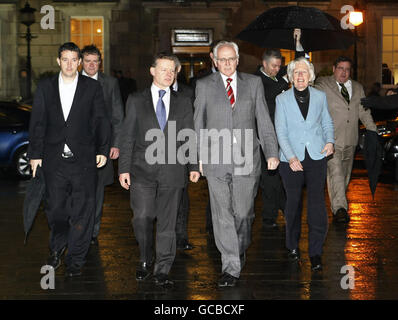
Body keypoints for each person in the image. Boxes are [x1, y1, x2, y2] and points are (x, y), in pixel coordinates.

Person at [194, 41, 279, 287]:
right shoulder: (204, 86)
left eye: (231, 59)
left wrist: (271, 151)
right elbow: (198, 124)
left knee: (243, 213)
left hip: (247, 159)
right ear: (214, 60)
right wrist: (196, 159)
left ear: (238, 59)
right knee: (222, 215)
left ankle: (238, 247)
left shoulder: (253, 84)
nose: (227, 64)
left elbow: (263, 119)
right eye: (222, 60)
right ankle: (230, 266)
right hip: (215, 160)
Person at [28, 42, 110, 277]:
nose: (70, 64)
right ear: (58, 61)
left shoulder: (91, 88)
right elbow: (38, 121)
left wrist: (103, 149)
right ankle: (57, 247)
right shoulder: (45, 86)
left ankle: (75, 258)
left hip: (83, 159)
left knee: (83, 211)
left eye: (75, 60)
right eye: (66, 59)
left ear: (80, 62)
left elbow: (101, 119)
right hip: (54, 160)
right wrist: (35, 154)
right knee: (56, 210)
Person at [118, 53, 200, 287]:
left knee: (168, 221)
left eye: (172, 70)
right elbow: (127, 137)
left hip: (173, 170)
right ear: (152, 71)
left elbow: (189, 136)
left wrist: (193, 165)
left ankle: (163, 267)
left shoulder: (184, 101)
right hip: (141, 170)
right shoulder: (135, 100)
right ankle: (145, 257)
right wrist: (123, 169)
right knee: (142, 217)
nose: (168, 73)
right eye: (163, 69)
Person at [275, 57, 335, 271]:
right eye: (296, 73)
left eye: (304, 72)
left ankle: (316, 251)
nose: (300, 76)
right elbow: (280, 131)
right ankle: (292, 245)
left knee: (317, 205)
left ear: (311, 76)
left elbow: (327, 121)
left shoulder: (320, 96)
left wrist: (330, 141)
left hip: (317, 156)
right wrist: (291, 157)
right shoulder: (281, 100)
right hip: (290, 160)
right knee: (293, 204)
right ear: (290, 77)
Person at [315, 56, 377, 223]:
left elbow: (363, 111)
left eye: (347, 69)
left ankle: (338, 202)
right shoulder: (323, 84)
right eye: (340, 68)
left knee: (345, 174)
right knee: (335, 172)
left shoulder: (357, 87)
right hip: (331, 140)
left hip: (350, 139)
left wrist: (373, 130)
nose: (344, 72)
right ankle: (340, 208)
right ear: (334, 69)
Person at [80, 44, 124, 245]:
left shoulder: (110, 83)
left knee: (97, 190)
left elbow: (117, 115)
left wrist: (116, 144)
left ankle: (93, 232)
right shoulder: (72, 81)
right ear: (81, 62)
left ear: (100, 63)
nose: (91, 65)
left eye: (95, 61)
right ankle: (78, 227)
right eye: (87, 61)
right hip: (76, 147)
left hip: (101, 147)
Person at [172, 58, 195, 251]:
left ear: (178, 70)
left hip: (182, 152)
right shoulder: (150, 92)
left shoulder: (188, 93)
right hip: (158, 151)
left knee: (182, 197)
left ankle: (181, 235)